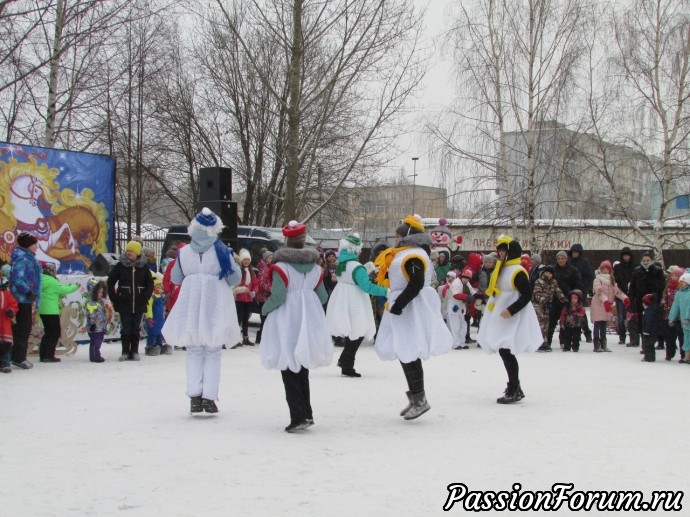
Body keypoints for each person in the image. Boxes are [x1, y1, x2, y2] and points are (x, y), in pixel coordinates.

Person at [162, 208, 242, 414]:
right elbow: (235, 278)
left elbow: (176, 278)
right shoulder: (222, 250)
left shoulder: (184, 251)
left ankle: (194, 395)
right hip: (214, 301)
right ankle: (209, 397)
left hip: (192, 301)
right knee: (213, 350)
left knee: (194, 350)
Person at [374, 215, 453, 420]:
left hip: (411, 309)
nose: (395, 239)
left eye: (398, 236)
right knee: (405, 351)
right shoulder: (406, 253)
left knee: (410, 351)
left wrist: (399, 305)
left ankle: (420, 399)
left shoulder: (413, 255)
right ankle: (416, 397)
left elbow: (416, 283)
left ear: (406, 236)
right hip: (404, 308)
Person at [261, 220, 332, 432]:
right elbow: (322, 296)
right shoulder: (316, 269)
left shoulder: (280, 267)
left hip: (287, 319)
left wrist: (265, 309)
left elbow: (279, 296)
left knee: (288, 365)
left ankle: (298, 416)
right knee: (302, 367)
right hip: (308, 318)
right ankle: (307, 413)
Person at [477, 235, 542, 403]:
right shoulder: (502, 268)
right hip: (501, 314)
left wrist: (511, 310)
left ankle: (514, 387)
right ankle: (515, 387)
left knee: (506, 350)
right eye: (498, 250)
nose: (499, 253)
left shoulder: (517, 271)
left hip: (512, 316)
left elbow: (527, 294)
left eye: (502, 250)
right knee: (503, 350)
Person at [326, 233, 387, 377]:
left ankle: (345, 362)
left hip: (342, 298)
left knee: (352, 332)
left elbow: (346, 277)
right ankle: (347, 364)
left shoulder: (342, 265)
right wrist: (386, 291)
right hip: (355, 300)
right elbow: (367, 287)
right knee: (358, 331)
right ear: (355, 250)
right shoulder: (357, 267)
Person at [107, 240, 154, 361]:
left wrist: (146, 296)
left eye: (131, 251)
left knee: (135, 328)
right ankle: (125, 351)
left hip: (139, 303)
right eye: (127, 250)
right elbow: (110, 282)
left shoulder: (143, 267)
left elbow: (150, 284)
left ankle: (134, 351)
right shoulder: (120, 266)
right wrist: (115, 298)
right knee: (125, 328)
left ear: (137, 253)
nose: (129, 253)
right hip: (124, 303)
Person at [10, 232, 42, 369]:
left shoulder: (27, 258)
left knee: (24, 327)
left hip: (25, 299)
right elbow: (17, 278)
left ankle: (18, 356)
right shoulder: (23, 259)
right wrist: (28, 292)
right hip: (21, 298)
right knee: (23, 328)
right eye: (35, 244)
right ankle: (18, 357)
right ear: (28, 245)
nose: (37, 247)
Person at [38, 261, 78, 363]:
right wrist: (75, 286)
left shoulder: (40, 279)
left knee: (47, 333)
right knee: (54, 333)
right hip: (51, 310)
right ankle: (49, 355)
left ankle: (43, 355)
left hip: (42, 309)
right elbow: (64, 290)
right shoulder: (52, 281)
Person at [627, 251, 665, 349]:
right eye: (644, 260)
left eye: (647, 260)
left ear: (651, 261)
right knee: (642, 323)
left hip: (653, 301)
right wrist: (632, 299)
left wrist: (656, 297)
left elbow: (661, 285)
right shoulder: (637, 271)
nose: (645, 262)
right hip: (640, 301)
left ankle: (655, 343)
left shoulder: (657, 271)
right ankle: (645, 346)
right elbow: (633, 286)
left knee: (653, 322)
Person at [590, 260, 629, 353]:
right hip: (598, 304)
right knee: (597, 324)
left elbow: (617, 291)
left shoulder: (611, 280)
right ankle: (596, 345)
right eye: (603, 268)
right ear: (600, 269)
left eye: (607, 269)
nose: (605, 270)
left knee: (604, 324)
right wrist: (605, 301)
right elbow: (599, 291)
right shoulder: (597, 279)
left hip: (606, 305)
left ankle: (604, 344)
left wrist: (625, 298)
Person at [547, 250, 583, 350]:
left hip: (568, 300)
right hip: (554, 300)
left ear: (566, 259)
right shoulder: (553, 270)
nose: (560, 260)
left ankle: (564, 342)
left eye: (562, 258)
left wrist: (575, 297)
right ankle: (547, 342)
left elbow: (578, 285)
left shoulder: (573, 270)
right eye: (558, 259)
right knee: (551, 322)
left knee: (566, 323)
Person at [532, 265, 567, 352]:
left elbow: (558, 291)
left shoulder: (553, 282)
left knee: (546, 324)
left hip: (547, 305)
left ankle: (544, 343)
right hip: (538, 305)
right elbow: (537, 294)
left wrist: (565, 300)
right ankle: (538, 343)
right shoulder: (539, 281)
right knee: (541, 323)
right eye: (547, 272)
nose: (548, 274)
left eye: (550, 273)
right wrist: (544, 301)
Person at [441, 269, 474, 350]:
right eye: (465, 278)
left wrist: (478, 295)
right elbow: (456, 295)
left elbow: (472, 291)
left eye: (468, 278)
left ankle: (461, 342)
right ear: (462, 276)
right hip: (453, 307)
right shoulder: (456, 282)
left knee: (463, 325)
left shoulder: (466, 283)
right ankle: (455, 344)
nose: (466, 279)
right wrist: (467, 297)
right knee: (455, 326)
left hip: (461, 307)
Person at [568, 244, 594, 342]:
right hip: (570, 291)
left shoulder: (584, 263)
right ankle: (574, 334)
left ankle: (587, 332)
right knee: (570, 313)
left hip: (580, 291)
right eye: (573, 252)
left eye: (576, 252)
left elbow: (589, 276)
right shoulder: (569, 262)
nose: (574, 254)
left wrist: (583, 289)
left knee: (581, 314)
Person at [232, 249, 258, 347]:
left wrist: (254, 291)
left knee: (246, 318)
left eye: (248, 260)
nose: (246, 261)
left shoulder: (252, 272)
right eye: (244, 260)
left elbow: (255, 284)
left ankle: (245, 337)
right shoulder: (239, 271)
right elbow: (236, 283)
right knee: (238, 318)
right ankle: (235, 337)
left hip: (248, 298)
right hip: (239, 298)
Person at [661, 266, 684, 361]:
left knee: (681, 336)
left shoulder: (682, 288)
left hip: (680, 316)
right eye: (673, 275)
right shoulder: (667, 287)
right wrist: (664, 305)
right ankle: (669, 353)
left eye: (676, 276)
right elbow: (664, 297)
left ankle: (683, 354)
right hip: (668, 315)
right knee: (669, 336)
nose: (674, 277)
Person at [613, 247, 635, 344]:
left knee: (631, 317)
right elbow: (614, 281)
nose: (626, 257)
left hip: (631, 295)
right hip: (620, 294)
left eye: (628, 255)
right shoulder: (617, 268)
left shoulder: (634, 267)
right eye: (624, 256)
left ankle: (633, 337)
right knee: (621, 317)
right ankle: (622, 337)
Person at [668, 272, 690, 364]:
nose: (681, 284)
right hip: (684, 321)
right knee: (686, 338)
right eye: (680, 282)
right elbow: (675, 306)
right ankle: (687, 356)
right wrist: (671, 318)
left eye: (683, 282)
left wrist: (688, 317)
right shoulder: (679, 293)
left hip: (687, 319)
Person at [0, 270, 18, 372]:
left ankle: (5, 362)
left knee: (5, 343)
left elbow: (13, 304)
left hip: (4, 321)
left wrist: (11, 310)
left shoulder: (6, 293)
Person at [145, 276, 168, 356]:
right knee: (152, 332)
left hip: (160, 318)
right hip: (153, 318)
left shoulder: (161, 296)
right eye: (157, 286)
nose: (159, 287)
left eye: (160, 285)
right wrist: (149, 317)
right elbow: (148, 307)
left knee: (159, 332)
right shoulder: (151, 297)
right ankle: (150, 345)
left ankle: (159, 344)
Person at [85, 280, 108, 363]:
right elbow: (91, 315)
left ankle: (95, 355)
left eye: (102, 292)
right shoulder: (91, 303)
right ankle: (95, 356)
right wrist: (92, 324)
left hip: (100, 326)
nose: (101, 294)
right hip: (95, 327)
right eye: (99, 292)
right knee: (96, 342)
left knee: (98, 341)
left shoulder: (100, 302)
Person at [254, 250, 274, 345]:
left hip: (266, 296)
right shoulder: (264, 269)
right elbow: (262, 284)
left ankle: (262, 336)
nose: (272, 259)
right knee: (264, 318)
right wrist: (272, 289)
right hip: (263, 297)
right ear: (266, 259)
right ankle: (261, 336)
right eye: (270, 257)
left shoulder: (268, 268)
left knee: (265, 318)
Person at [640, 293, 660, 362]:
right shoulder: (653, 309)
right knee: (650, 345)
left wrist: (646, 330)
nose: (642, 304)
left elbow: (648, 321)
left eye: (644, 303)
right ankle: (650, 357)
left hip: (650, 331)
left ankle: (649, 357)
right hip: (653, 330)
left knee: (647, 345)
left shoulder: (649, 311)